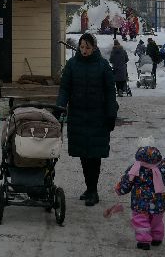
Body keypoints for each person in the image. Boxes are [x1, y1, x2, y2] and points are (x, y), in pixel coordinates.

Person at [56, 32, 119, 207]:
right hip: (77, 116)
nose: (84, 50)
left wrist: (111, 113)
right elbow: (64, 89)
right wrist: (60, 107)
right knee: (83, 155)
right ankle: (89, 187)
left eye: (87, 47)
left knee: (94, 155)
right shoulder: (72, 65)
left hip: (97, 117)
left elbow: (110, 92)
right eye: (82, 47)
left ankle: (93, 190)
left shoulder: (103, 65)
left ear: (94, 48)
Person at [115, 136, 165, 250]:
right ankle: (157, 238)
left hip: (140, 204)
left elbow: (127, 182)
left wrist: (119, 189)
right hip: (158, 203)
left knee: (141, 221)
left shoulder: (134, 169)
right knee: (157, 221)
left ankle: (144, 241)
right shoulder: (161, 167)